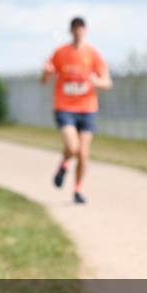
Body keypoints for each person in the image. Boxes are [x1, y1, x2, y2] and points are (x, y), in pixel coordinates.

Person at [42, 16, 112, 204]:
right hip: (65, 106)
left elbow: (107, 81)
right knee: (72, 147)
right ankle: (64, 165)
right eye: (75, 28)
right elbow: (45, 80)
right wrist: (47, 72)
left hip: (87, 108)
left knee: (83, 153)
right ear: (70, 30)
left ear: (86, 30)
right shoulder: (60, 52)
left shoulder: (92, 54)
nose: (78, 32)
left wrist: (96, 81)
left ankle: (78, 190)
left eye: (81, 28)